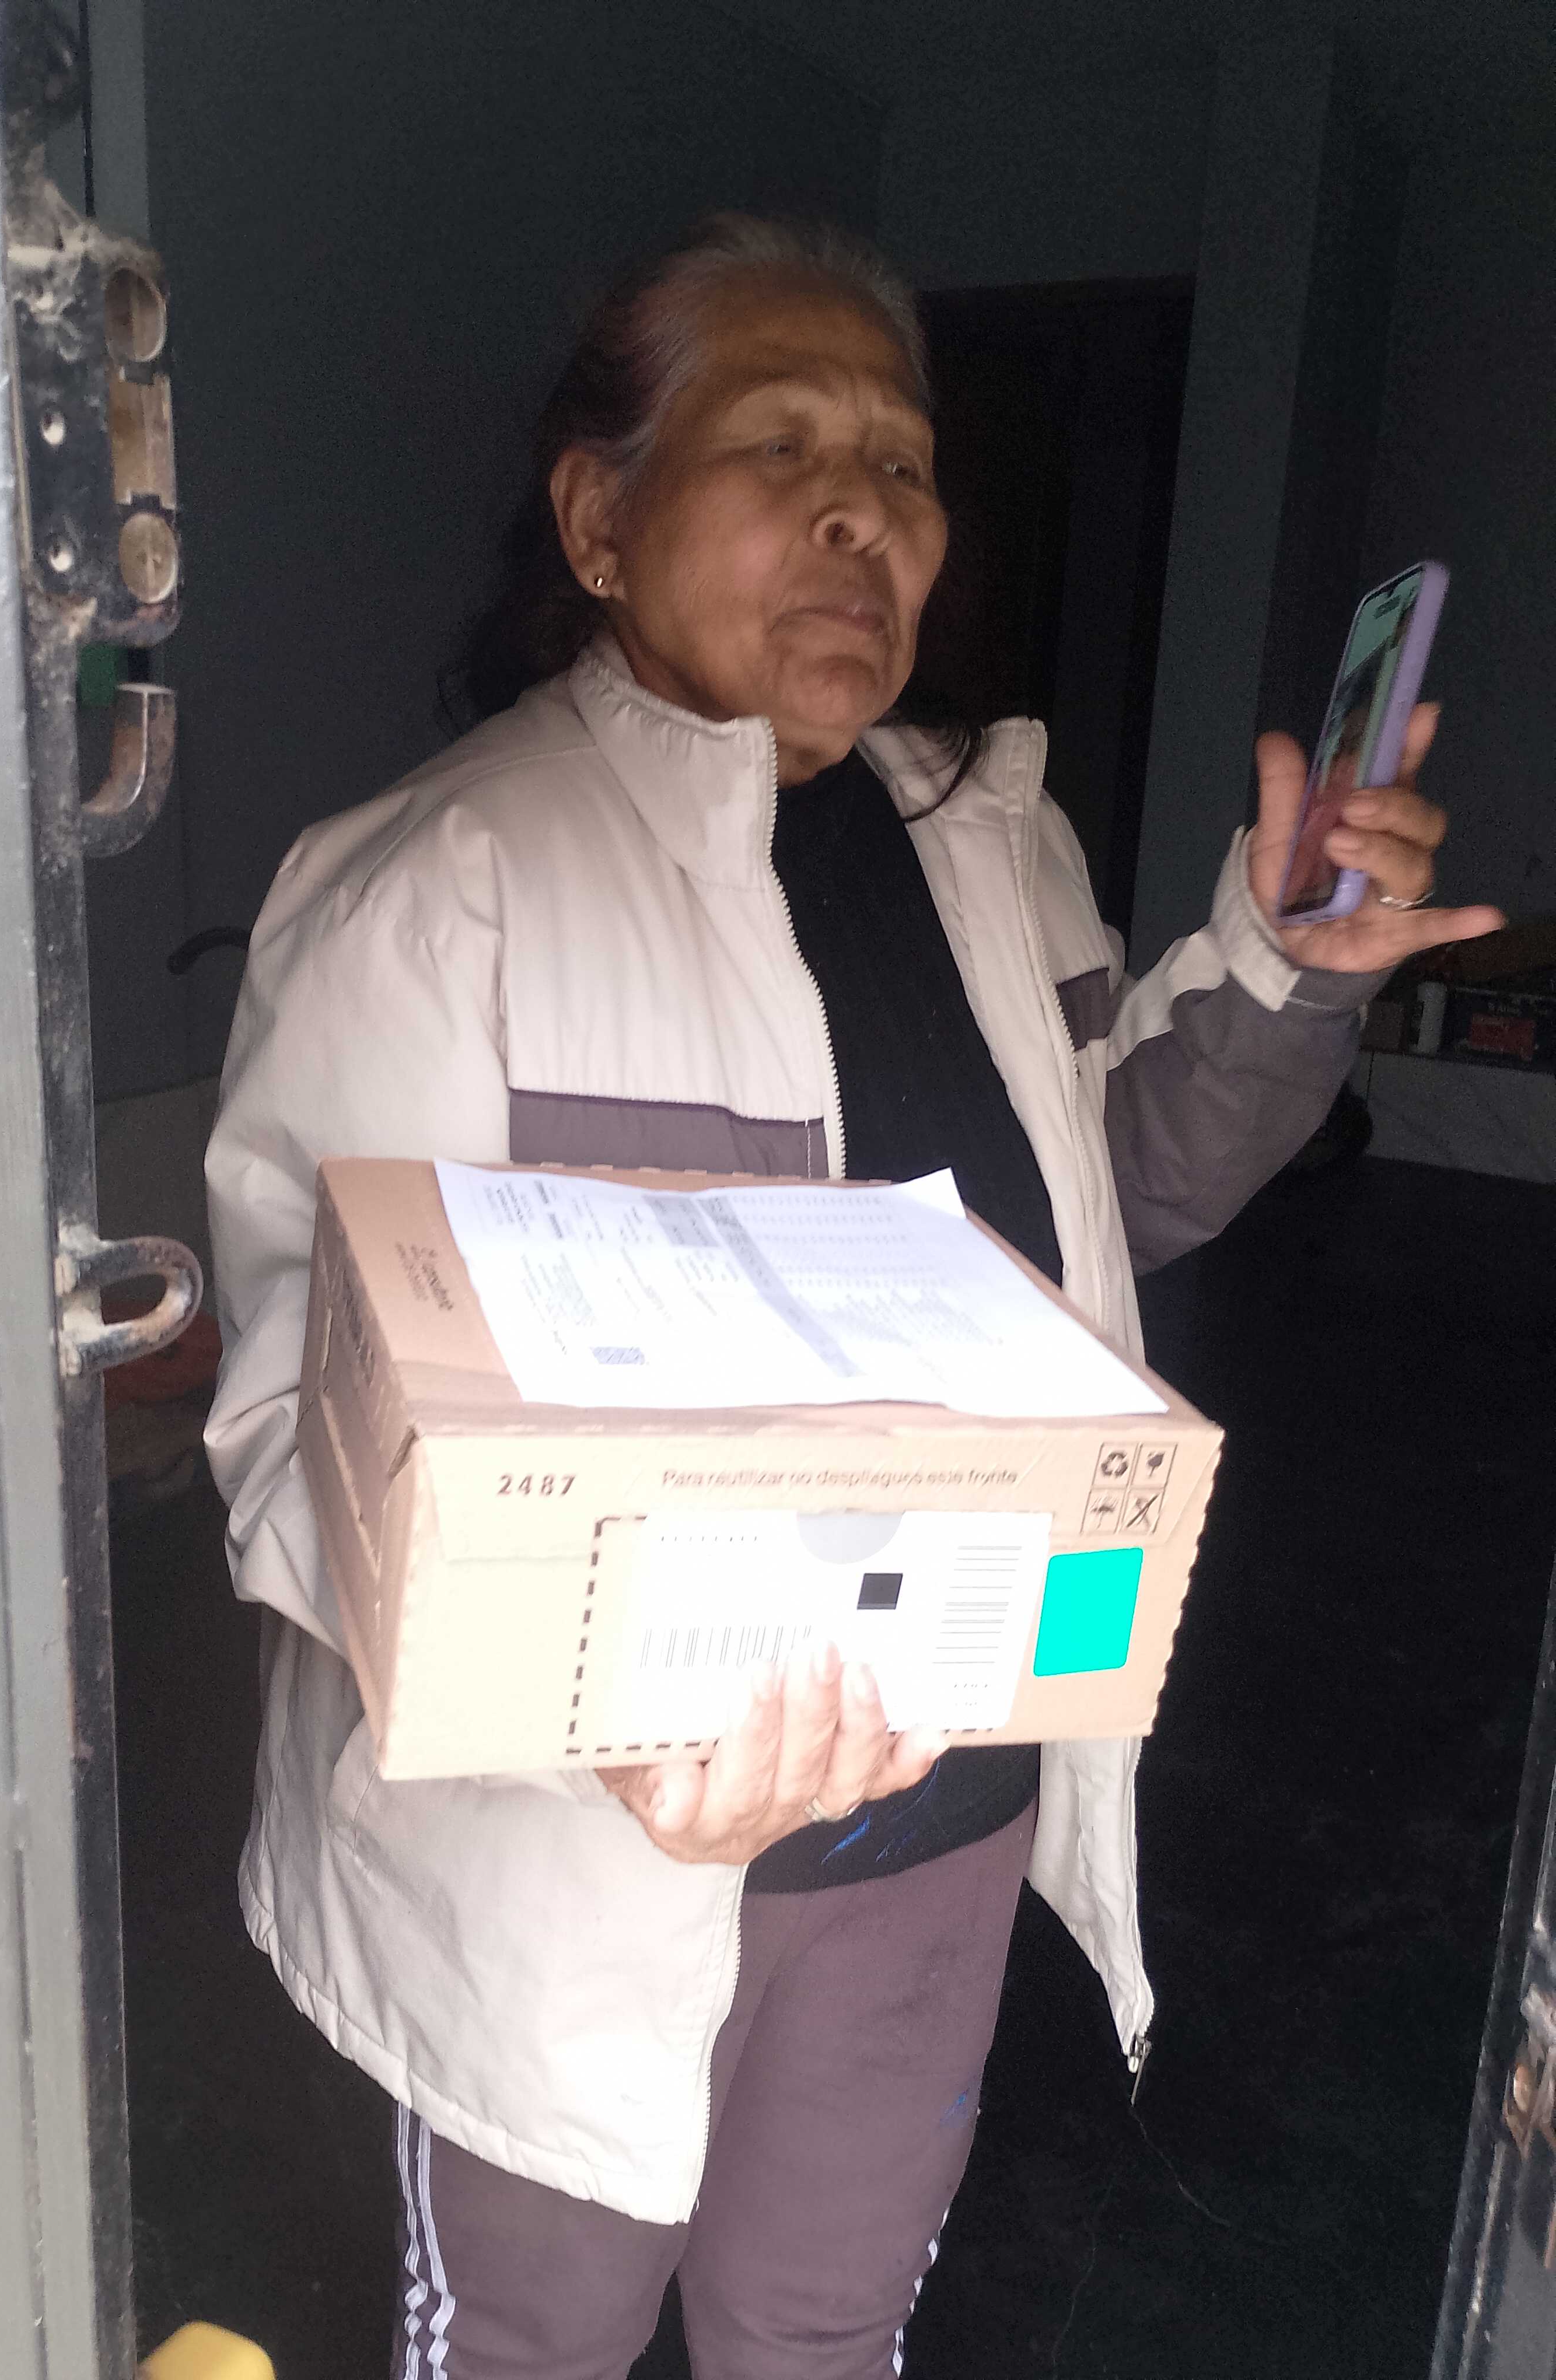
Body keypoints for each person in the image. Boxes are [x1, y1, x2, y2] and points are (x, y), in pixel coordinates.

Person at [204, 215, 1500, 2380]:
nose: (859, 512)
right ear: (600, 522)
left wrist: (1285, 975)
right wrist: (603, 1731)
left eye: (900, 463)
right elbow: (292, 1429)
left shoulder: (997, 841)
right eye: (779, 443)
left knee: (823, 2331)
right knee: (532, 2341)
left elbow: (1110, 1201)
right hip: (579, 1869)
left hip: (944, 1793)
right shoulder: (438, 890)